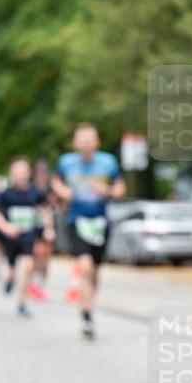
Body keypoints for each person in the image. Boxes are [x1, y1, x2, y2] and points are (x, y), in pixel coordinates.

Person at [51, 123, 126, 339]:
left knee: (94, 270)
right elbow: (56, 181)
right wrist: (62, 190)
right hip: (76, 219)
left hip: (100, 222)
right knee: (84, 266)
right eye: (81, 139)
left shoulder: (108, 162)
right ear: (75, 142)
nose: (85, 143)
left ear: (96, 142)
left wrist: (109, 190)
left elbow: (121, 188)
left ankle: (88, 305)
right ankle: (86, 314)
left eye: (89, 139)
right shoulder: (66, 162)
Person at [0, 157, 55, 318]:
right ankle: (10, 280)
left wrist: (48, 228)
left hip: (28, 236)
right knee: (12, 270)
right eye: (17, 171)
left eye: (24, 171)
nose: (21, 174)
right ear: (12, 173)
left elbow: (45, 211)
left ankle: (22, 304)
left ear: (29, 173)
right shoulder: (6, 194)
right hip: (11, 239)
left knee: (27, 266)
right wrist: (6, 227)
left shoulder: (36, 193)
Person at [28, 159, 54, 302]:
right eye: (39, 172)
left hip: (47, 224)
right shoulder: (31, 188)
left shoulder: (50, 188)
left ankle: (41, 284)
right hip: (34, 224)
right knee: (36, 253)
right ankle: (33, 284)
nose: (42, 175)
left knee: (46, 256)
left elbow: (52, 207)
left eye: (44, 172)